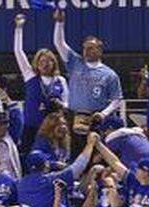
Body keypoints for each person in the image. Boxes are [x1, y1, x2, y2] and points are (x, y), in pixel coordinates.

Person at [52, 9, 123, 150]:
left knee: (95, 151)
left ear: (100, 50)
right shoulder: (75, 62)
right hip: (73, 115)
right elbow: (59, 43)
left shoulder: (109, 74)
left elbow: (117, 99)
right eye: (85, 48)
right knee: (74, 152)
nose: (87, 51)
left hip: (95, 118)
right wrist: (59, 23)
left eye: (91, 48)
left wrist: (103, 114)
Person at [12, 13, 67, 151]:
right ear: (36, 64)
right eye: (42, 61)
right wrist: (19, 28)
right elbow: (18, 51)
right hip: (31, 127)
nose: (45, 64)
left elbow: (68, 103)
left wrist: (61, 104)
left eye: (49, 61)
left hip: (53, 129)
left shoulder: (60, 80)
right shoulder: (30, 76)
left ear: (54, 63)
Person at [18, 133, 97, 207]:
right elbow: (79, 167)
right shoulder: (49, 180)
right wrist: (90, 145)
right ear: (46, 165)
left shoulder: (20, 183)